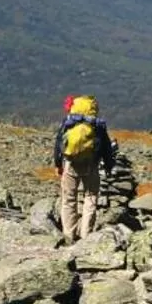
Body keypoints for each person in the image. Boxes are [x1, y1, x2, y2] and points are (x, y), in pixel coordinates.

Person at [53, 94, 114, 244]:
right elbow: (106, 147)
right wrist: (108, 165)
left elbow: (59, 142)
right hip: (92, 164)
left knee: (68, 199)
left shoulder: (70, 122)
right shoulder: (97, 125)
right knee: (90, 197)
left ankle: (69, 234)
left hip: (70, 163)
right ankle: (86, 235)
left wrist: (58, 164)